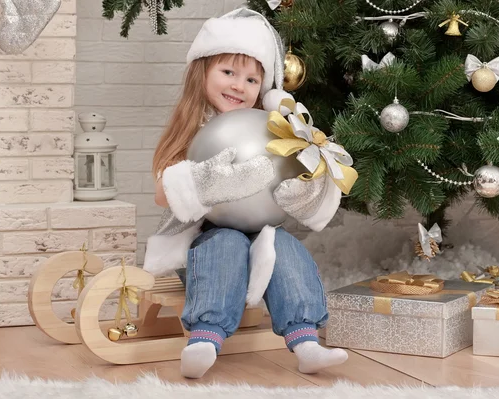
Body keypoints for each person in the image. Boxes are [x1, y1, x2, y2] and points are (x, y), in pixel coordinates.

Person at [144, 8, 347, 379]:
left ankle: (306, 342)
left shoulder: (267, 131)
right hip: (202, 246)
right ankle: (204, 338)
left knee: (284, 245)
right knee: (226, 242)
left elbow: (298, 173)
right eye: (228, 72)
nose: (239, 85)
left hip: (260, 236)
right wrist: (207, 183)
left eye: (252, 79)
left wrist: (302, 189)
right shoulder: (192, 130)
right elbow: (162, 193)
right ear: (201, 71)